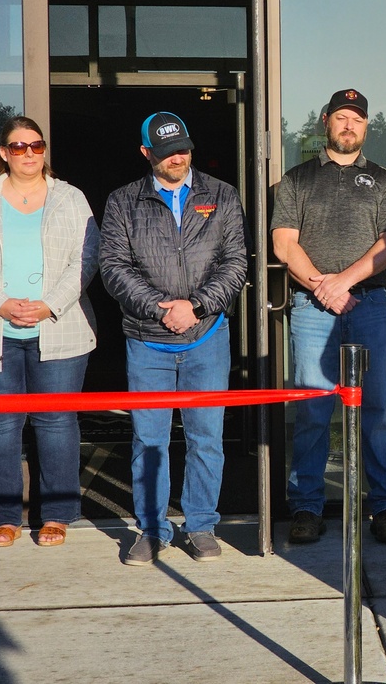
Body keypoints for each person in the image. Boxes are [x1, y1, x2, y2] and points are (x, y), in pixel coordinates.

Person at [99, 112, 247, 566]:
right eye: (166, 152)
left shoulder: (221, 195)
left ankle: (201, 525)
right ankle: (152, 529)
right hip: (147, 342)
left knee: (207, 439)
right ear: (147, 154)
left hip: (207, 339)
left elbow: (236, 262)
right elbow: (113, 267)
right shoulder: (123, 202)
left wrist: (196, 306)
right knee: (149, 440)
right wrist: (160, 307)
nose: (177, 157)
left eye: (182, 147)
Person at [271, 88, 386, 545]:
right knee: (313, 410)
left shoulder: (385, 181)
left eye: (358, 119)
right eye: (342, 117)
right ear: (325, 121)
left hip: (368, 305)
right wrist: (322, 289)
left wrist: (342, 282)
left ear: (366, 127)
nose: (350, 126)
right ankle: (307, 507)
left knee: (375, 410)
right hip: (313, 309)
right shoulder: (296, 180)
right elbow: (284, 245)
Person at [0, 117, 98, 548]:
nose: (28, 154)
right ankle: (5, 516)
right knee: (2, 425)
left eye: (35, 146)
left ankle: (56, 514)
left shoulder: (70, 198)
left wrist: (48, 305)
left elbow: (87, 258)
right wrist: (0, 301)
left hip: (60, 327)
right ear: (4, 152)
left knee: (56, 423)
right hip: (0, 328)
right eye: (18, 147)